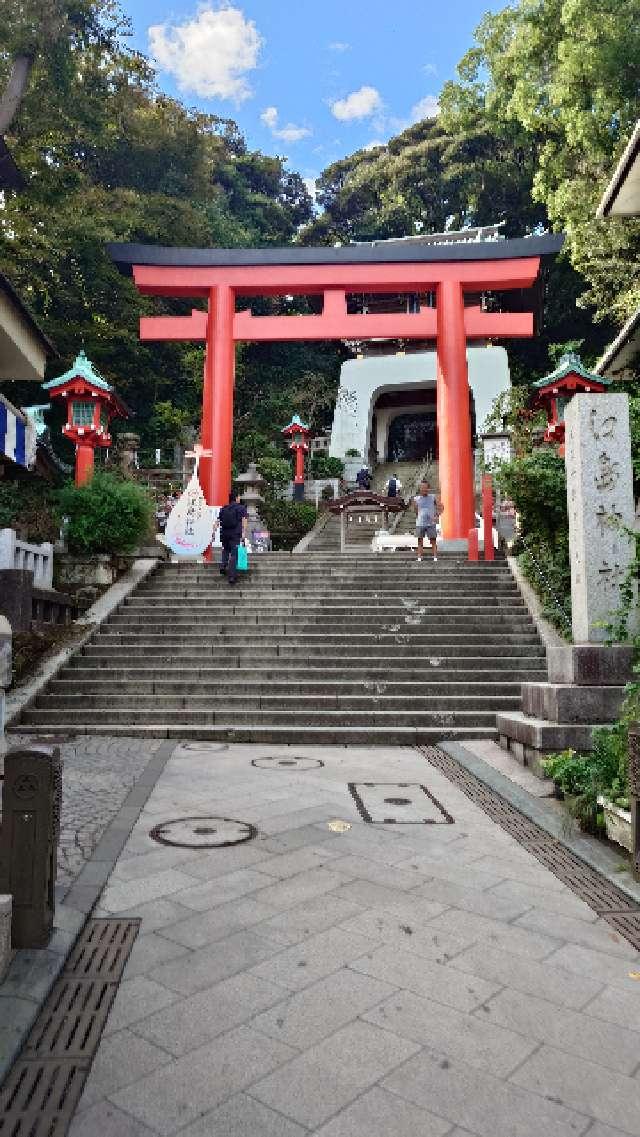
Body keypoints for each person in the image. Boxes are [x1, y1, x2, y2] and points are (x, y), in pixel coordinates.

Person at [214, 490, 248, 585]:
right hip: (235, 534)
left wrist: (213, 532)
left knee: (225, 549)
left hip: (224, 533)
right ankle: (232, 576)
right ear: (236, 498)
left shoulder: (224, 508)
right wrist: (244, 533)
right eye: (239, 497)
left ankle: (223, 565)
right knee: (234, 554)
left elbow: (217, 521)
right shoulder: (241, 508)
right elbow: (244, 520)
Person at [413, 480, 441, 563]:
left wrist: (437, 516)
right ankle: (419, 557)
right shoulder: (416, 499)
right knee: (420, 541)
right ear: (420, 488)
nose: (424, 489)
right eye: (422, 487)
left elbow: (441, 507)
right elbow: (415, 510)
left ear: (428, 488)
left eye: (426, 487)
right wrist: (419, 517)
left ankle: (435, 557)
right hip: (420, 523)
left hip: (431, 523)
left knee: (433, 540)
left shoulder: (433, 497)